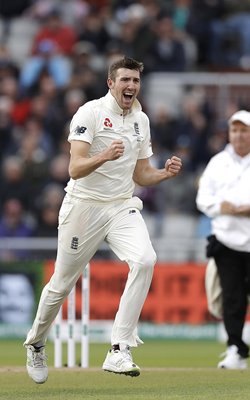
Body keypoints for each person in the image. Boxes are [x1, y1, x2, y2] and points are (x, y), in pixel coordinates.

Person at [24, 56, 182, 384]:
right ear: (111, 83)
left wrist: (163, 174)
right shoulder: (90, 113)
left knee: (145, 259)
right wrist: (103, 156)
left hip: (121, 205)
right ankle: (36, 342)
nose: (131, 86)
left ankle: (119, 349)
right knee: (62, 284)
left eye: (136, 81)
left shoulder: (141, 120)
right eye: (125, 80)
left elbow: (141, 174)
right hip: (84, 206)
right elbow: (74, 169)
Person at [196, 110, 250, 369]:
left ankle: (237, 348)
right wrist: (219, 206)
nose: (238, 135)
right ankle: (236, 349)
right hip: (226, 241)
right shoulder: (218, 162)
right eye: (234, 130)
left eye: (243, 130)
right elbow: (203, 199)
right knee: (232, 300)